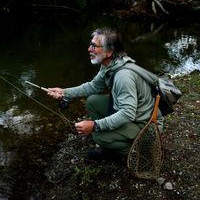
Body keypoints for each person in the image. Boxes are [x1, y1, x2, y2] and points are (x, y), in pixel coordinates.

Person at [47, 27, 163, 161]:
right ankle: (112, 141)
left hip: (145, 124)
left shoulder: (123, 76)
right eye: (90, 45)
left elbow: (128, 113)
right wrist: (64, 92)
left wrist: (95, 125)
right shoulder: (109, 64)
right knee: (93, 102)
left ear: (109, 52)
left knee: (98, 136)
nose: (89, 49)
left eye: (94, 46)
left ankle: (140, 151)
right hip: (134, 114)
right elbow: (93, 86)